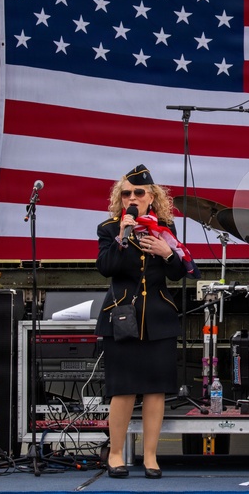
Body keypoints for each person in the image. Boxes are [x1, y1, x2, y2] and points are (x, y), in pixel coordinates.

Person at [95, 164, 187, 479]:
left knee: (155, 390)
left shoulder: (166, 229)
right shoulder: (109, 228)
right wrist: (123, 235)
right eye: (126, 193)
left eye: (138, 193)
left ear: (152, 197)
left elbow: (179, 272)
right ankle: (117, 454)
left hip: (159, 318)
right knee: (122, 390)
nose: (132, 198)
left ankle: (150, 456)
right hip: (122, 318)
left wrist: (167, 252)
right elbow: (106, 267)